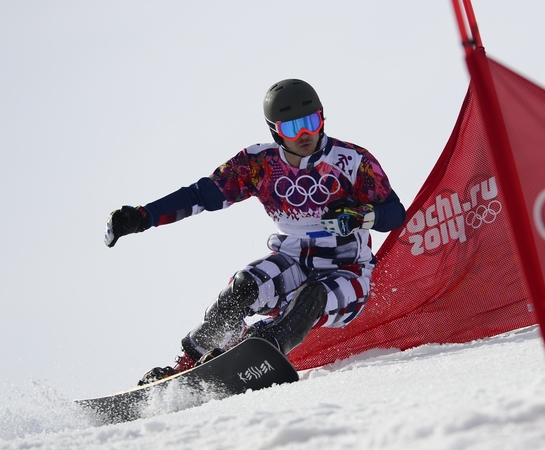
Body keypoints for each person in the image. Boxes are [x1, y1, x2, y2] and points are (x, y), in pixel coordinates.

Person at [104, 79, 406, 385]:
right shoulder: (259, 164)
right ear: (275, 131)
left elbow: (395, 213)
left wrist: (362, 217)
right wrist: (144, 216)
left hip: (348, 272)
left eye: (311, 122)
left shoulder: (352, 161)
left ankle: (261, 349)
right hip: (294, 260)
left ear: (322, 118)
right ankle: (186, 365)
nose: (305, 135)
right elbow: (200, 195)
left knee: (311, 296)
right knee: (245, 286)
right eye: (292, 128)